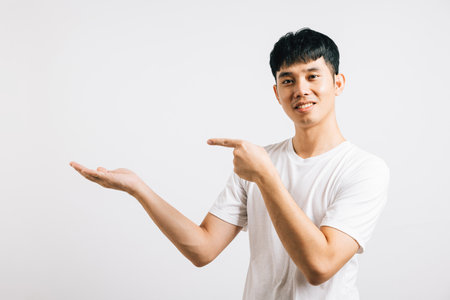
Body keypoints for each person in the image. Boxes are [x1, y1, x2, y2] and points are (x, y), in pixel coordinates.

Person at [70, 27, 390, 299]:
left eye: (312, 76)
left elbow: (320, 266)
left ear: (338, 83)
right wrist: (139, 189)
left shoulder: (364, 169)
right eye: (288, 80)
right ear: (277, 92)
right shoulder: (258, 163)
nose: (301, 89)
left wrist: (266, 177)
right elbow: (202, 248)